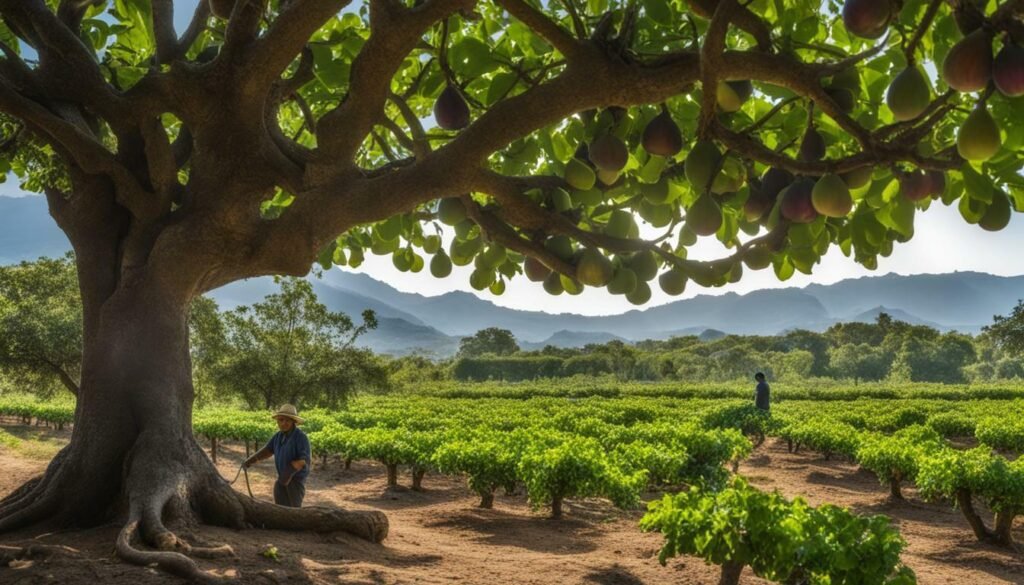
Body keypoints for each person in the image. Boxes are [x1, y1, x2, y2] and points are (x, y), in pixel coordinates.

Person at [243, 404, 311, 507]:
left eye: (287, 420)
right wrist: (249, 461)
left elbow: (303, 461)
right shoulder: (278, 436)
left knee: (293, 513)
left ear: (293, 422)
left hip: (295, 483)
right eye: (281, 420)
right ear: (277, 421)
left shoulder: (300, 437)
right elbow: (267, 451)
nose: (284, 423)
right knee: (280, 509)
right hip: (282, 480)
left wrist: (287, 475)